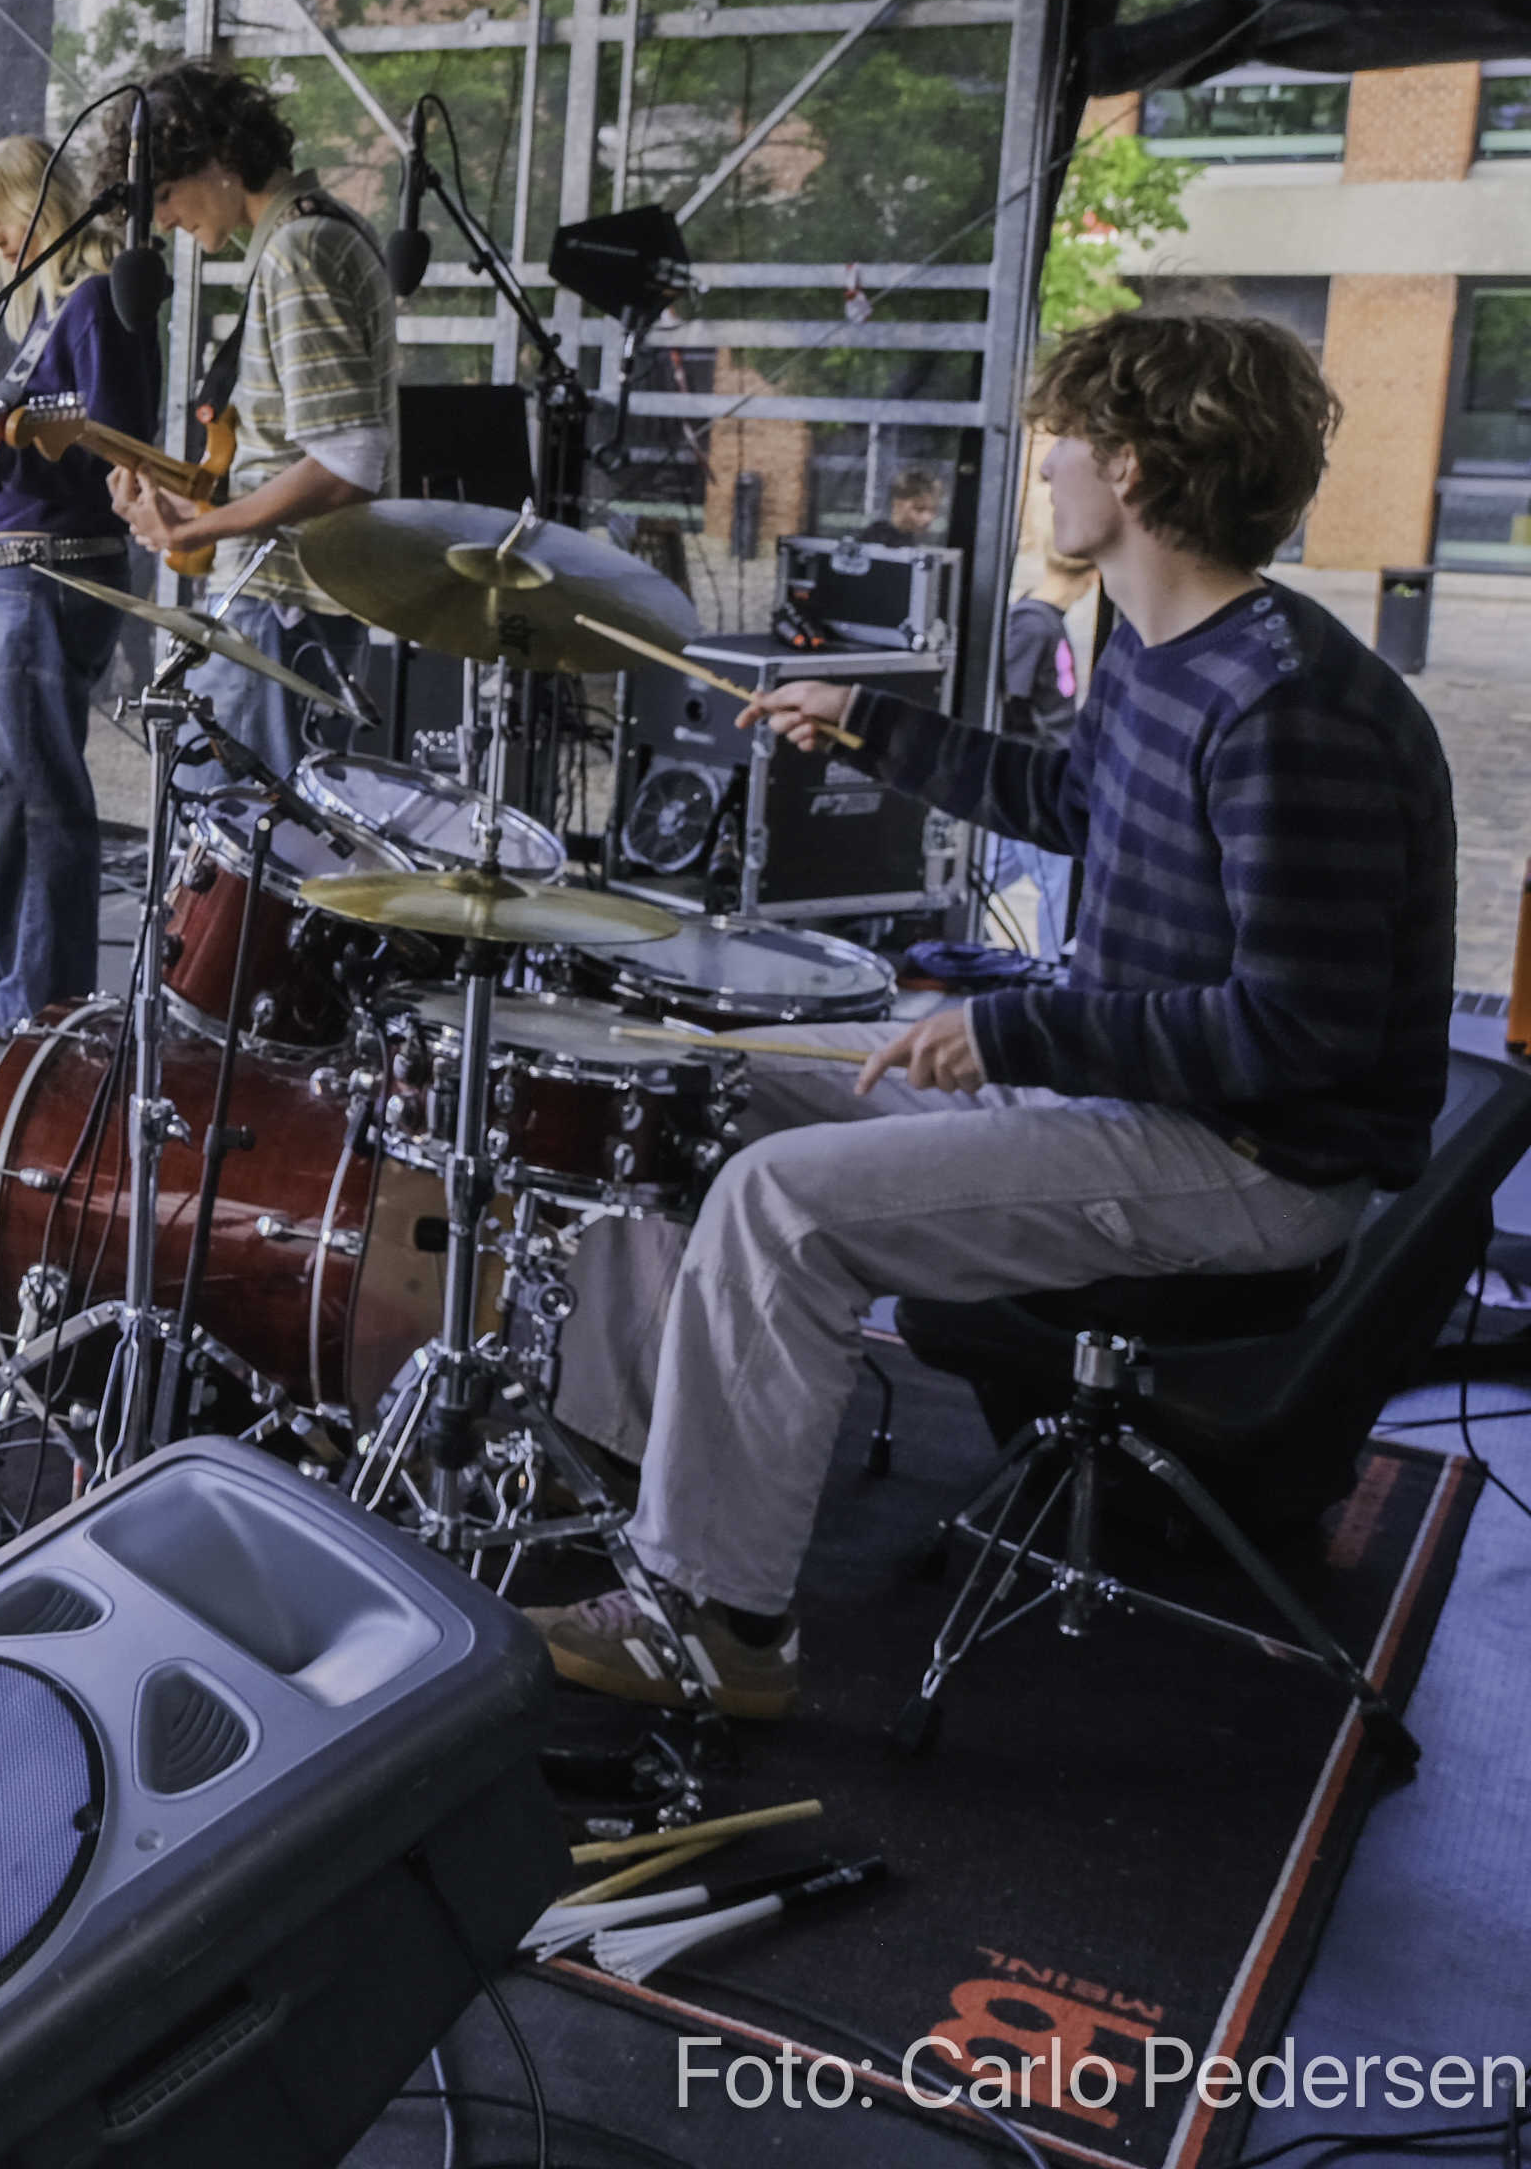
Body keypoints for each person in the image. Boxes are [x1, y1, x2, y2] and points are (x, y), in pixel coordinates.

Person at [531, 313, 1454, 1723]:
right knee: (694, 1081)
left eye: (1063, 443)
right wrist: (872, 728)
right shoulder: (1161, 643)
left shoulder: (1289, 709)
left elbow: (1299, 1033)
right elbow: (1076, 805)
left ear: (1134, 471)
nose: (1046, 469)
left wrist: (1014, 1038)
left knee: (787, 1204)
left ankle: (715, 1627)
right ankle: (627, 1481)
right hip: (1125, 1095)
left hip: (1254, 1162)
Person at [108, 61, 395, 793]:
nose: (163, 220)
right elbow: (302, 450)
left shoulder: (301, 253)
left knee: (241, 845)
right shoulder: (306, 238)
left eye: (166, 194)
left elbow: (346, 461)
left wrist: (200, 532)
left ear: (223, 158)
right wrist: (203, 510)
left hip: (287, 604)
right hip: (289, 599)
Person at [0, 133, 152, 1044]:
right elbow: (62, 421)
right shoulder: (59, 312)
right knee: (9, 783)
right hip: (32, 561)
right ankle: (17, 971)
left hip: (57, 568)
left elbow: (110, 431)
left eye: (0, 224)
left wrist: (3, 451)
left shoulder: (95, 304)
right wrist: (3, 446)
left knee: (29, 788)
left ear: (40, 213)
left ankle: (39, 999)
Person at [987, 545, 1101, 954]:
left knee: (1000, 867)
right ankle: (1054, 968)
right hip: (1040, 778)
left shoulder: (1048, 621)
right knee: (1058, 882)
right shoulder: (1033, 625)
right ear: (1092, 579)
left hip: (1049, 772)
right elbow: (1011, 703)